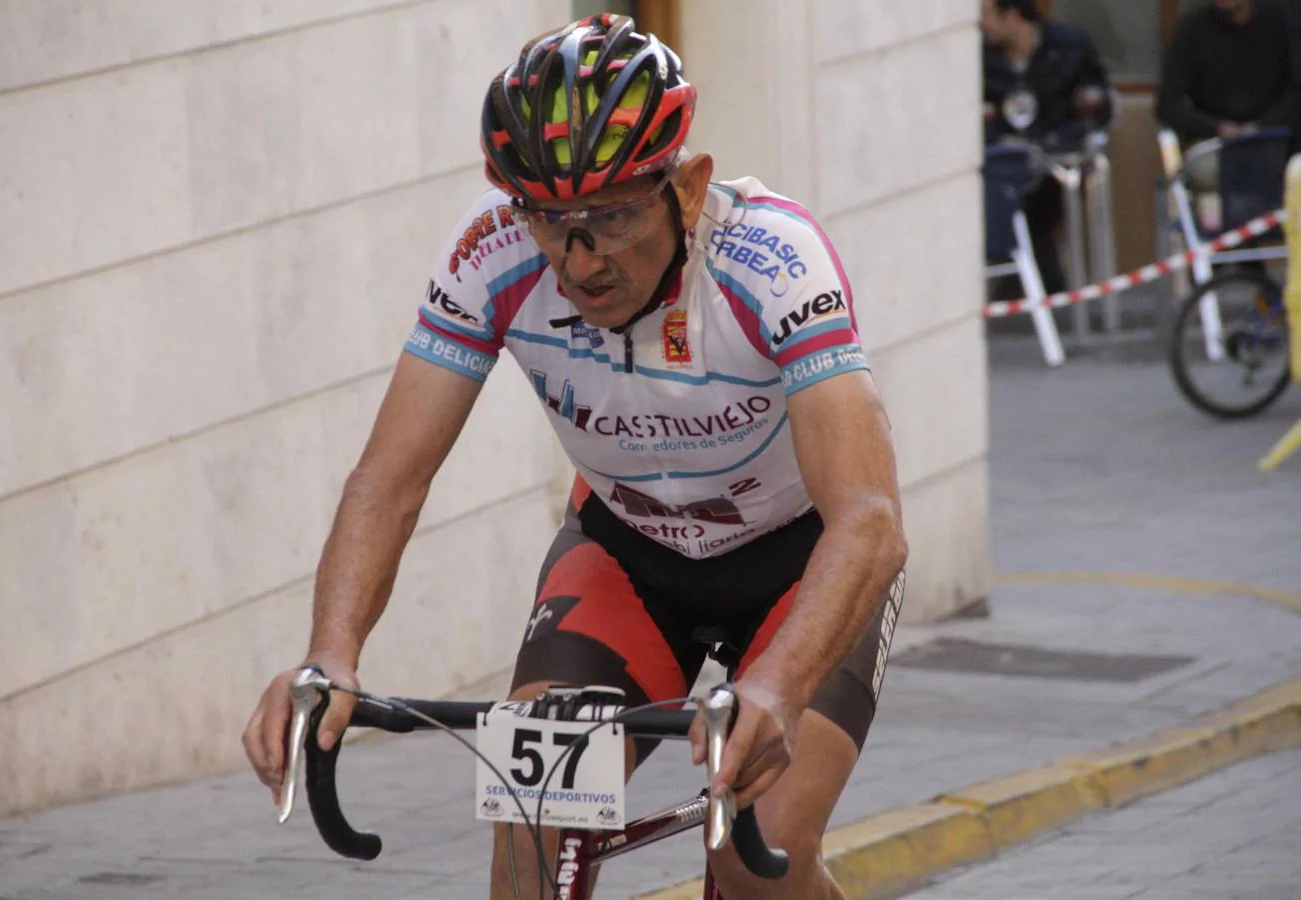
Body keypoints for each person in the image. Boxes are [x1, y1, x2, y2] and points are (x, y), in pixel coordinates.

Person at [242, 14, 908, 900]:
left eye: (613, 215)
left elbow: (869, 518)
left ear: (689, 185)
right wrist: (331, 656)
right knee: (531, 820)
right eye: (550, 221)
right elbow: (391, 477)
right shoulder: (494, 251)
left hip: (799, 562)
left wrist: (779, 689)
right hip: (626, 558)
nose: (578, 259)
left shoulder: (772, 260)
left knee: (755, 855)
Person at [980, 0, 1112, 293]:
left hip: (1061, 154)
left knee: (1048, 186)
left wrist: (1062, 134)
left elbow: (1097, 105)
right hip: (1004, 159)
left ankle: (1035, 270)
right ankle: (1023, 267)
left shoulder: (1069, 48)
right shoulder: (982, 57)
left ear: (1011, 14)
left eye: (987, 15)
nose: (982, 24)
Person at [1157, 0, 1296, 191]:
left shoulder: (1282, 21)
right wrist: (1218, 127)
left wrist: (1260, 126)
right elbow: (1167, 105)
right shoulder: (1193, 28)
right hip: (1214, 143)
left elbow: (1296, 93)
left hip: (1278, 139)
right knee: (1212, 171)